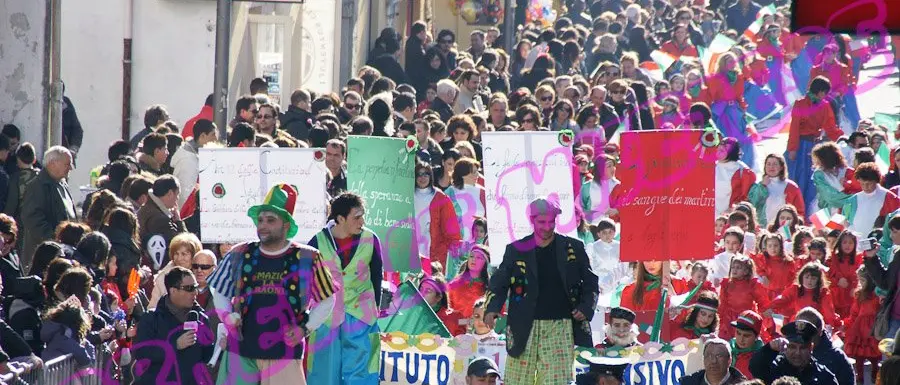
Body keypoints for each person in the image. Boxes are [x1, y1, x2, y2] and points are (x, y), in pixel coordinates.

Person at [207, 183, 337, 385]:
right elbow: (220, 291)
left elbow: (328, 298)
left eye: (270, 220)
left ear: (286, 224)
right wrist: (227, 317)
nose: (262, 225)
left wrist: (306, 328)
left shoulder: (308, 257)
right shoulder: (239, 253)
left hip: (284, 354)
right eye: (260, 220)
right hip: (240, 350)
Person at [484, 197, 598, 384]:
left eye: (551, 222)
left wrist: (586, 307)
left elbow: (591, 281)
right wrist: (492, 308)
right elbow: (499, 282)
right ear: (532, 220)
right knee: (517, 381)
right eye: (541, 222)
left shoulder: (574, 247)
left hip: (560, 326)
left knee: (557, 382)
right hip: (523, 325)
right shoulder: (515, 249)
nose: (547, 226)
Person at [306, 192, 383, 385]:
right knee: (324, 374)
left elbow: (376, 276)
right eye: (357, 217)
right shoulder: (317, 242)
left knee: (361, 374)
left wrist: (375, 308)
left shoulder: (371, 239)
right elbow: (305, 280)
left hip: (361, 317)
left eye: (363, 215)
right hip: (326, 318)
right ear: (340, 218)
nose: (362, 221)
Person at [133, 266, 214, 385]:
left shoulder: (201, 319)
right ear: (173, 291)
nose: (194, 292)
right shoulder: (151, 318)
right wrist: (174, 345)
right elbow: (142, 353)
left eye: (195, 287)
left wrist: (210, 342)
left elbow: (205, 358)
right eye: (189, 288)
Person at [21, 146, 76, 271]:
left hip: (63, 252)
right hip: (45, 256)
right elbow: (32, 218)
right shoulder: (37, 186)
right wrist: (54, 240)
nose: (70, 168)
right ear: (52, 164)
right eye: (67, 164)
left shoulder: (62, 184)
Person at [749, 320, 839, 384]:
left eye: (803, 348)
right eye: (792, 347)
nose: (797, 353)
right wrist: (769, 349)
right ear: (785, 347)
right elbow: (755, 368)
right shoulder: (774, 368)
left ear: (811, 348)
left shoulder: (824, 377)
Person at [413, 160, 461, 268]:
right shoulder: (407, 195)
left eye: (426, 174)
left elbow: (451, 227)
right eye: (419, 175)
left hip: (434, 251)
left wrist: (454, 249)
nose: (422, 178)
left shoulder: (440, 197)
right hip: (410, 247)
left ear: (431, 176)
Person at [137, 175, 187, 267]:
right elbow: (182, 243)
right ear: (170, 193)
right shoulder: (160, 219)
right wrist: (179, 222)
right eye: (177, 194)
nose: (177, 199)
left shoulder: (145, 209)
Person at [718, 256, 770, 341]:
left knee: (746, 339)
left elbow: (761, 299)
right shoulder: (726, 283)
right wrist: (720, 316)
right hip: (729, 318)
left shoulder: (752, 284)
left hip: (747, 317)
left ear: (746, 271)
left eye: (738, 268)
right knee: (727, 340)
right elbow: (722, 302)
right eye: (733, 267)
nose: (734, 270)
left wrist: (765, 309)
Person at [844, 266, 881, 384]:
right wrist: (847, 325)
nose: (860, 283)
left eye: (863, 280)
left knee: (874, 356)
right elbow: (854, 313)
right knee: (859, 356)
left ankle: (875, 376)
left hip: (872, 330)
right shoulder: (859, 295)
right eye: (859, 280)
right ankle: (860, 379)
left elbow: (881, 312)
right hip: (859, 330)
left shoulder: (877, 296)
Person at [748, 154, 805, 226]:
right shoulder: (758, 186)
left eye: (775, 164)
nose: (771, 167)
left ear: (781, 167)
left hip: (784, 227)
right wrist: (762, 186)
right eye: (768, 164)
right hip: (762, 227)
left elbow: (799, 211)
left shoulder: (791, 187)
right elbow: (753, 203)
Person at [172, 119, 218, 206]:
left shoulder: (194, 156)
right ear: (203, 136)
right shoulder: (188, 161)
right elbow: (186, 196)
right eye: (213, 134)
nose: (216, 138)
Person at [148, 233, 201, 309]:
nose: (179, 258)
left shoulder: (201, 274)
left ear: (194, 255)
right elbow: (153, 307)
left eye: (184, 254)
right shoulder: (163, 277)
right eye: (176, 254)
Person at [844, 162, 900, 234]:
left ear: (876, 181)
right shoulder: (851, 200)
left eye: (869, 183)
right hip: (856, 242)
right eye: (862, 183)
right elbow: (844, 219)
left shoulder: (890, 198)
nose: (865, 187)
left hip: (880, 242)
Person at [40, 297, 95, 369]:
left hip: (55, 375)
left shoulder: (56, 333)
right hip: (56, 376)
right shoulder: (63, 337)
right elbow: (85, 359)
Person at [811, 141, 859, 213]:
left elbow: (856, 188)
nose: (817, 163)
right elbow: (830, 197)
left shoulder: (847, 171)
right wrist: (854, 200)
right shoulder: (819, 174)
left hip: (847, 211)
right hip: (827, 211)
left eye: (819, 159)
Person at [678, 338, 747, 385]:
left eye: (719, 356)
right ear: (703, 359)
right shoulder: (688, 382)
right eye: (709, 356)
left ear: (729, 360)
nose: (713, 361)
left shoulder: (742, 383)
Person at [716, 138, 756, 217]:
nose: (722, 147)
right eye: (721, 144)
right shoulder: (709, 166)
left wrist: (733, 209)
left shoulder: (743, 171)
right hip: (708, 216)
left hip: (729, 218)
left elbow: (747, 198)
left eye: (726, 146)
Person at [448, 245, 489, 319]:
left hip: (481, 327)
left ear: (486, 264)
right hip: (456, 327)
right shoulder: (454, 284)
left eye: (479, 258)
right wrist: (464, 323)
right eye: (471, 256)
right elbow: (446, 311)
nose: (474, 260)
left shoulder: (491, 288)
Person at [730, 310, 765, 380]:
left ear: (756, 336)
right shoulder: (727, 349)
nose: (741, 339)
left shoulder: (761, 359)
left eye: (746, 336)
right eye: (738, 333)